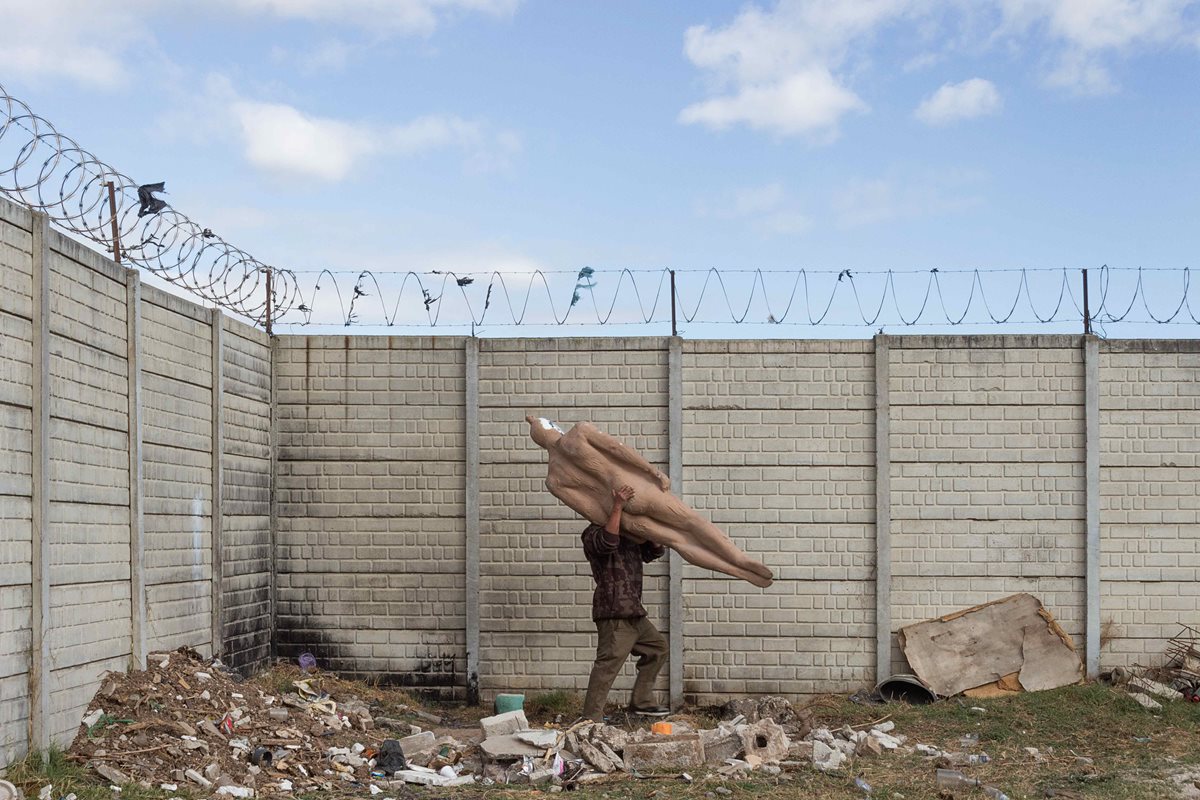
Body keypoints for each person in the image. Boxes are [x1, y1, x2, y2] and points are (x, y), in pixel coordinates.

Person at [526, 415, 773, 588]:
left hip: (621, 513)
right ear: (554, 428)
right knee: (692, 522)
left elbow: (596, 516)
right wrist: (652, 471)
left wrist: (620, 513)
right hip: (634, 490)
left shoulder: (554, 479)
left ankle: (737, 572)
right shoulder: (579, 432)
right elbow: (618, 449)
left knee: (678, 541)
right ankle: (739, 559)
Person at [581, 483, 669, 721]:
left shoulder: (630, 536)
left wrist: (653, 530)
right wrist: (618, 505)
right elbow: (608, 541)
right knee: (607, 666)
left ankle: (641, 701)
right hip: (614, 612)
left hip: (634, 611)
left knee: (658, 648)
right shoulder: (592, 533)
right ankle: (591, 720)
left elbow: (653, 553)